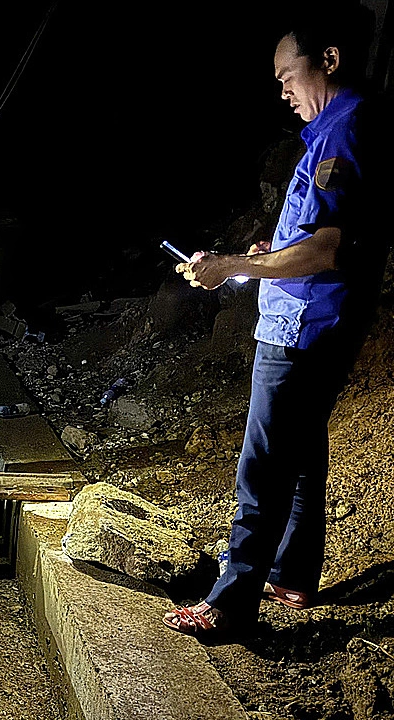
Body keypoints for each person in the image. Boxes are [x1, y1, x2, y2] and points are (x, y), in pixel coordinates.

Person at [164, 6, 386, 637]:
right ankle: (292, 572)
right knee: (301, 447)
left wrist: (235, 263)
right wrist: (267, 252)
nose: (282, 90)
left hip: (302, 326)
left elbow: (328, 247)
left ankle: (231, 601)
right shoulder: (341, 126)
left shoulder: (345, 130)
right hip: (317, 318)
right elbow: (312, 231)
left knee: (260, 466)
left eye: (290, 75)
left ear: (330, 60)